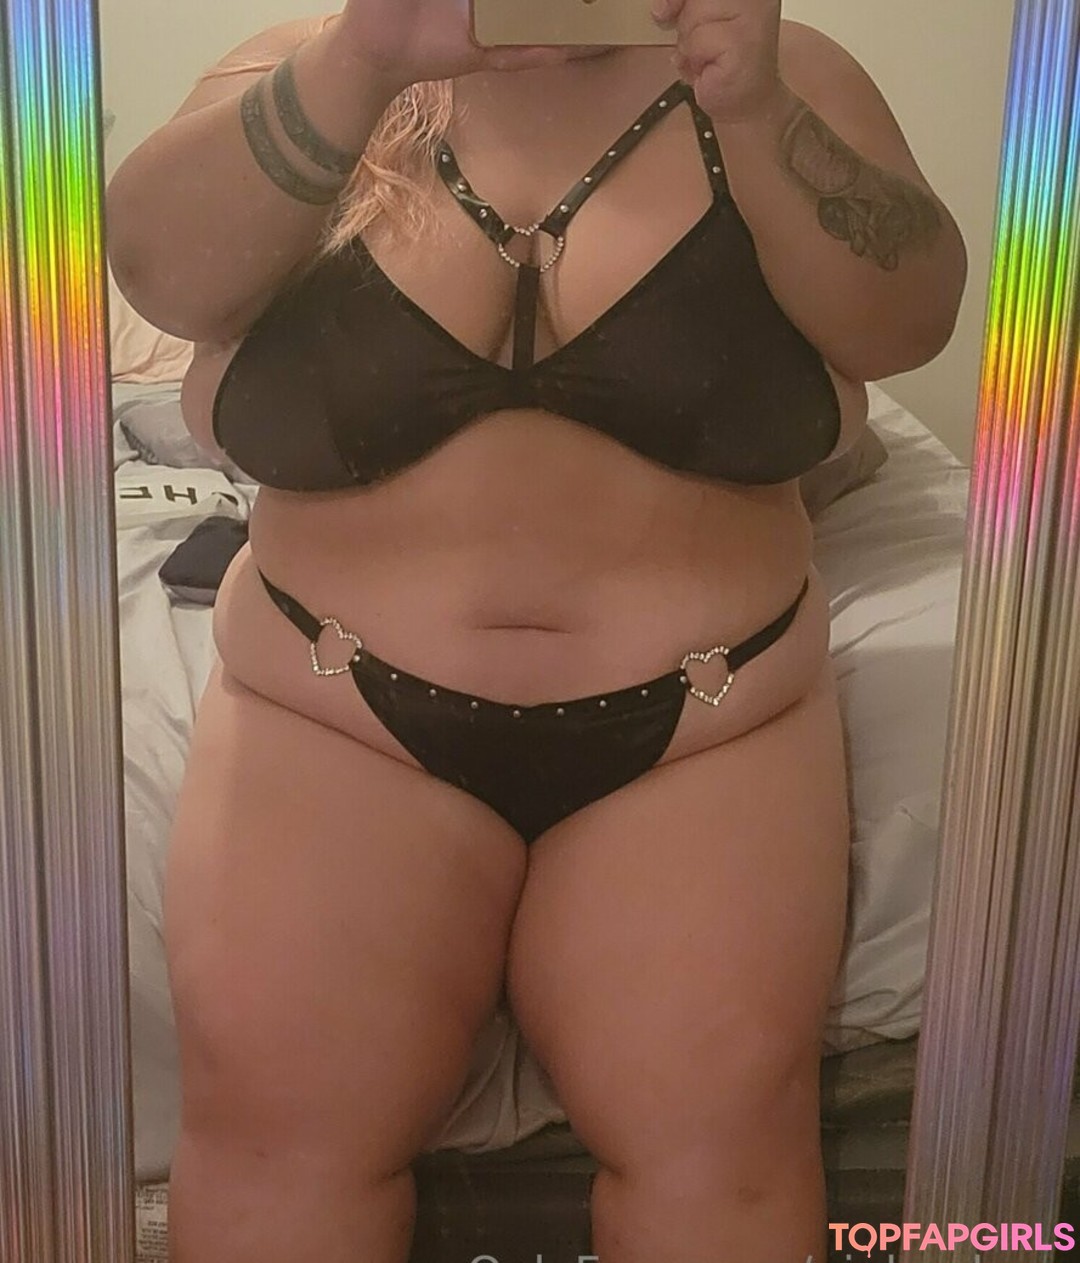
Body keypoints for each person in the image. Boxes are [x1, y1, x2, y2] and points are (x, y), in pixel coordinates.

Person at [106, 2, 966, 1259]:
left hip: (707, 730)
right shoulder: (312, 71)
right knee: (279, 1150)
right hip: (334, 717)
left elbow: (908, 321)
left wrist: (756, 106)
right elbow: (160, 276)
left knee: (719, 1162)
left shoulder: (776, 75)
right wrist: (365, 59)